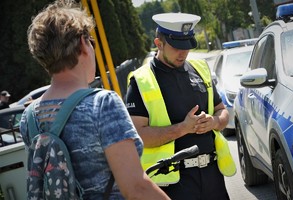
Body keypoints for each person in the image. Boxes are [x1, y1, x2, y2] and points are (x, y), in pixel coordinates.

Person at [20, 1, 170, 199]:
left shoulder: (29, 118)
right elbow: (136, 187)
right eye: (91, 41)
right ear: (83, 43)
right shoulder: (102, 104)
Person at [125, 13, 230, 200]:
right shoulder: (141, 80)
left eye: (188, 46)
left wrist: (214, 122)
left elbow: (222, 110)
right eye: (177, 47)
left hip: (213, 176)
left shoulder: (200, 69)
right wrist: (183, 128)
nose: (184, 53)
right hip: (172, 183)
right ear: (158, 43)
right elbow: (137, 137)